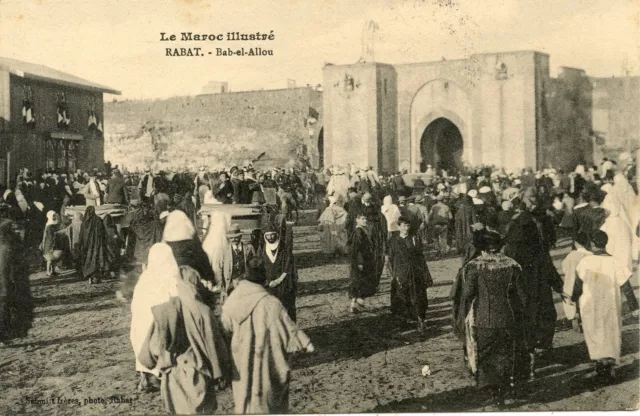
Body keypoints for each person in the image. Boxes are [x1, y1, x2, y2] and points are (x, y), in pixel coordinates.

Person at [221, 257, 314, 414]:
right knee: (267, 399)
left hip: (241, 360)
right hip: (266, 360)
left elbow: (224, 328)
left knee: (244, 397)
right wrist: (306, 343)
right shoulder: (272, 303)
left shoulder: (232, 300)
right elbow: (289, 327)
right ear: (263, 279)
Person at [137, 265, 231, 415]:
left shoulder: (165, 310)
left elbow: (152, 349)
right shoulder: (204, 312)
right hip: (198, 375)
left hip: (173, 376)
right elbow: (217, 347)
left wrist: (163, 359)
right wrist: (222, 374)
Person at [456, 230, 528, 407]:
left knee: (487, 355)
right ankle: (503, 392)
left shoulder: (475, 267)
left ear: (482, 248)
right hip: (507, 317)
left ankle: (492, 392)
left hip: (484, 319)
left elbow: (467, 294)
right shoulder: (512, 266)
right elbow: (523, 296)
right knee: (504, 355)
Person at [503, 204, 563, 377]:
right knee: (540, 321)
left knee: (522, 324)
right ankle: (535, 353)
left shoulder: (510, 249)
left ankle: (528, 358)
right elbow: (550, 269)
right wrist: (560, 288)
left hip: (520, 295)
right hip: (539, 292)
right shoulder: (539, 247)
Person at [573, 230, 638, 384]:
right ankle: (609, 365)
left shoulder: (585, 262)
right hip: (610, 304)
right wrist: (634, 305)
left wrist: (574, 306)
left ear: (592, 244)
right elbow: (626, 287)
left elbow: (577, 287)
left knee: (594, 332)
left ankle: (599, 363)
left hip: (590, 304)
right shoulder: (615, 262)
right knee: (611, 332)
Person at [129, 243, 179, 392]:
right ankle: (157, 375)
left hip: (140, 327)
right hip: (157, 326)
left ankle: (146, 374)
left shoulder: (145, 277)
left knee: (142, 340)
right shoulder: (170, 277)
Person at [388, 216, 432, 331]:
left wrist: (425, 274)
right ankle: (405, 320)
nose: (405, 228)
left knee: (418, 297)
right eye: (403, 226)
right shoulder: (394, 241)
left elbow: (421, 258)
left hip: (415, 273)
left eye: (407, 226)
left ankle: (421, 320)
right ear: (398, 227)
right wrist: (394, 274)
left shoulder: (414, 239)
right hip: (401, 273)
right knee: (402, 297)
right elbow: (391, 259)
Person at [0, 219, 32, 346]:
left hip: (5, 284)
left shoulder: (5, 245)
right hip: (6, 285)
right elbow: (9, 269)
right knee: (4, 310)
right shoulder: (7, 248)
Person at [261, 219, 298, 321]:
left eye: (272, 235)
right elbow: (261, 267)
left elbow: (288, 265)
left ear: (276, 235)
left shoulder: (283, 249)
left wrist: (279, 280)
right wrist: (268, 282)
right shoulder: (263, 250)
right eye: (268, 235)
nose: (270, 237)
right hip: (269, 285)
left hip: (284, 284)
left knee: (286, 308)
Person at [348, 211, 380, 313]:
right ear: (357, 220)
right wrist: (360, 262)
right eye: (362, 219)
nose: (365, 220)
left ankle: (355, 304)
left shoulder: (363, 230)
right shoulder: (358, 232)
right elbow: (356, 250)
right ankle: (358, 303)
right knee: (359, 281)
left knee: (360, 282)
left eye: (366, 219)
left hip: (365, 260)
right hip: (361, 262)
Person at [560, 232, 592, 333]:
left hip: (572, 283)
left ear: (576, 243)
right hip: (585, 283)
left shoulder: (571, 255)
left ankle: (574, 318)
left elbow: (564, 267)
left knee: (572, 301)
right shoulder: (589, 255)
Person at [202, 212, 233, 296]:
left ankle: (218, 283)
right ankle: (213, 283)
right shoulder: (214, 213)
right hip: (214, 238)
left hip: (219, 238)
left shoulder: (223, 213)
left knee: (217, 260)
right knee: (212, 258)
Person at [78, 206, 108, 284]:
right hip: (97, 245)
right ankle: (95, 278)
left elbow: (81, 235)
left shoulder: (84, 222)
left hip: (87, 246)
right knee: (96, 259)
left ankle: (89, 277)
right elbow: (102, 232)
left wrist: (80, 244)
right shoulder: (98, 220)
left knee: (88, 260)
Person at [40, 211, 63, 276]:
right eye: (53, 216)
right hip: (49, 244)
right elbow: (50, 236)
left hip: (52, 243)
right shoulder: (49, 226)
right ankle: (48, 271)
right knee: (49, 259)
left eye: (55, 216)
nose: (54, 217)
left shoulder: (52, 225)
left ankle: (52, 271)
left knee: (53, 259)